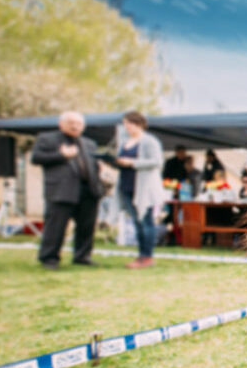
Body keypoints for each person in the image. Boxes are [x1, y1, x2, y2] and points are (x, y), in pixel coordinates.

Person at [32, 111, 104, 269]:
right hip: (61, 190)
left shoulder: (89, 143)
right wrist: (61, 155)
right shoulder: (47, 139)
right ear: (61, 124)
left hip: (88, 190)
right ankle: (49, 257)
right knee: (56, 226)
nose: (75, 126)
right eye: (71, 122)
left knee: (86, 226)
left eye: (79, 124)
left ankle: (82, 256)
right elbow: (36, 158)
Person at [116, 111, 164, 270]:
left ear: (138, 124)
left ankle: (147, 256)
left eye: (128, 124)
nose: (126, 127)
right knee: (137, 223)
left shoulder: (149, 141)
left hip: (144, 189)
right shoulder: (125, 141)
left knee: (146, 222)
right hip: (127, 186)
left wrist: (132, 162)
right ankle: (141, 255)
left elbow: (157, 161)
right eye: (125, 124)